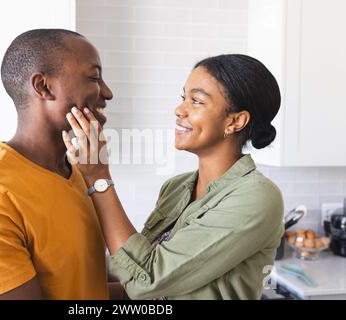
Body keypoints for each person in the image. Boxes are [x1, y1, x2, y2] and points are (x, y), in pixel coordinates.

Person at [63, 54, 284, 300]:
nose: (179, 110)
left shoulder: (257, 196)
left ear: (235, 121)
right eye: (183, 98)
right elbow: (135, 282)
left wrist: (99, 179)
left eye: (196, 101)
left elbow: (147, 279)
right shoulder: (176, 188)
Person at [0, 29, 113, 299]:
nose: (107, 92)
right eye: (93, 77)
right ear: (43, 87)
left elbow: (82, 288)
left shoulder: (76, 172)